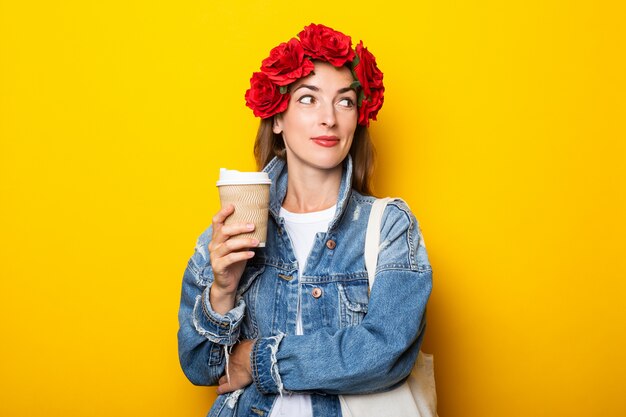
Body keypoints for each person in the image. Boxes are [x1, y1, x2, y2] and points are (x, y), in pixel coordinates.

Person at [178, 23, 433, 417]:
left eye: (344, 102)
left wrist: (257, 361)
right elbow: (200, 368)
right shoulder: (232, 229)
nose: (328, 119)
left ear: (357, 119)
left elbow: (387, 351)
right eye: (308, 99)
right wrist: (222, 291)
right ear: (277, 119)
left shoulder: (389, 226)